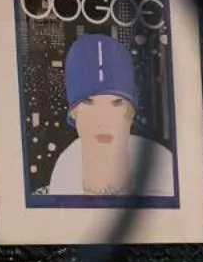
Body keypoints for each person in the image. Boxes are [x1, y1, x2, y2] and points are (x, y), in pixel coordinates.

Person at [42, 32, 176, 200]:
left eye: (117, 102)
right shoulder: (44, 202)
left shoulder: (171, 187)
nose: (103, 119)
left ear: (131, 112)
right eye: (89, 102)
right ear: (73, 113)